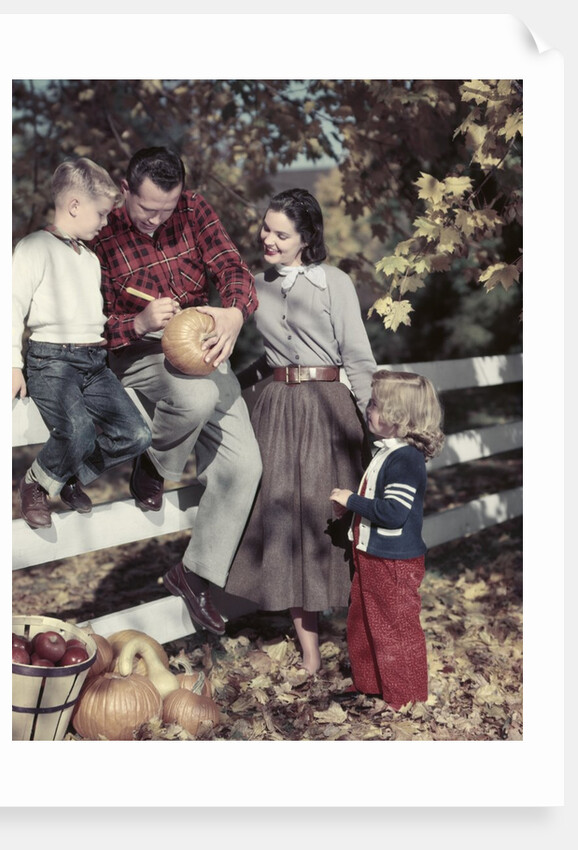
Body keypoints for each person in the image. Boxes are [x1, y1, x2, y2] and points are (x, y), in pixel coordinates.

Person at [91, 146, 262, 636]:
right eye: (147, 209)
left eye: (166, 209)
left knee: (245, 467)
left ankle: (195, 573)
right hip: (139, 352)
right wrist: (137, 321)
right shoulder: (101, 232)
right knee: (193, 397)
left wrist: (232, 311)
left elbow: (232, 268)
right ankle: (154, 466)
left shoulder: (194, 208)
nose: (156, 219)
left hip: (201, 343)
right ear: (126, 190)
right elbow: (89, 326)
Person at [224, 188, 377, 674]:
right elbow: (260, 357)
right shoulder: (252, 284)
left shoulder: (335, 283)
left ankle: (366, 638)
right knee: (283, 520)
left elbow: (357, 357)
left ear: (306, 237)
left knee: (326, 519)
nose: (267, 239)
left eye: (280, 233)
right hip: (274, 409)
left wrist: (376, 423)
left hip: (328, 410)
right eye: (265, 228)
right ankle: (309, 650)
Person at [12, 157, 152, 530]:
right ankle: (38, 483)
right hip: (51, 362)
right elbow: (8, 305)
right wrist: (10, 363)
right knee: (77, 429)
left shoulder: (89, 259)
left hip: (94, 362)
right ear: (74, 206)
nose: (106, 223)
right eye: (101, 214)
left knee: (137, 434)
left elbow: (92, 317)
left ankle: (68, 474)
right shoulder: (34, 248)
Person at [329, 369, 445, 710]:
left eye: (377, 405)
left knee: (395, 627)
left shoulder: (406, 459)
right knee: (363, 620)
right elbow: (379, 501)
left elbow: (394, 512)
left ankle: (406, 697)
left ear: (400, 416)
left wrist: (352, 500)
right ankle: (371, 684)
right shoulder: (388, 451)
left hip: (394, 560)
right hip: (371, 554)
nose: (369, 408)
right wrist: (350, 512)